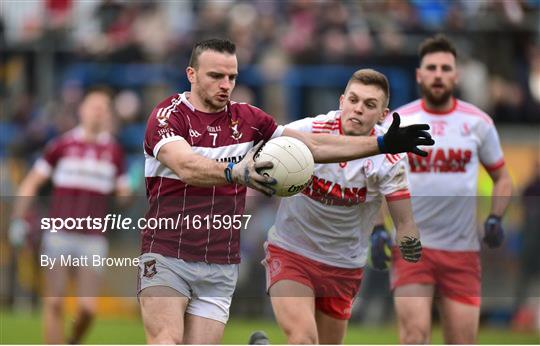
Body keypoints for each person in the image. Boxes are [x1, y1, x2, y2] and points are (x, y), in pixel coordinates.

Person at [138, 38, 433, 344]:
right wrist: (234, 173)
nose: (226, 84)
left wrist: (384, 144)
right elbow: (186, 166)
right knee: (167, 340)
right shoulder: (167, 116)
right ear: (192, 74)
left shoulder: (249, 120)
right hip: (169, 248)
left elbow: (313, 148)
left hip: (222, 260)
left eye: (232, 77)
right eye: (216, 76)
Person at [261, 69, 422, 344]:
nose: (358, 109)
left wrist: (409, 244)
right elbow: (260, 154)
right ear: (341, 101)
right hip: (291, 252)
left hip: (343, 266)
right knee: (303, 339)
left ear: (383, 114)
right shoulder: (308, 131)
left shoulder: (390, 156)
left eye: (369, 105)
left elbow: (405, 221)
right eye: (353, 100)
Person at [380, 35, 513, 344]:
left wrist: (495, 217)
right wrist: (377, 229)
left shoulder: (478, 123)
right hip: (412, 248)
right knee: (414, 336)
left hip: (462, 252)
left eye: (445, 68)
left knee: (462, 340)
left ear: (456, 75)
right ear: (419, 75)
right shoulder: (399, 122)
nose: (438, 74)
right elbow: (377, 179)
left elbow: (503, 178)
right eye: (431, 67)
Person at [8, 87, 130, 344]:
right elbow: (32, 182)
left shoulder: (115, 152)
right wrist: (18, 219)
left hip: (93, 238)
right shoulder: (62, 145)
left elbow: (122, 194)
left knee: (88, 308)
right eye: (93, 107)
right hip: (59, 234)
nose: (97, 113)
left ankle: (72, 341)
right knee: (54, 303)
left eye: (102, 108)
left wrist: (128, 193)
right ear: (82, 111)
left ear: (108, 115)